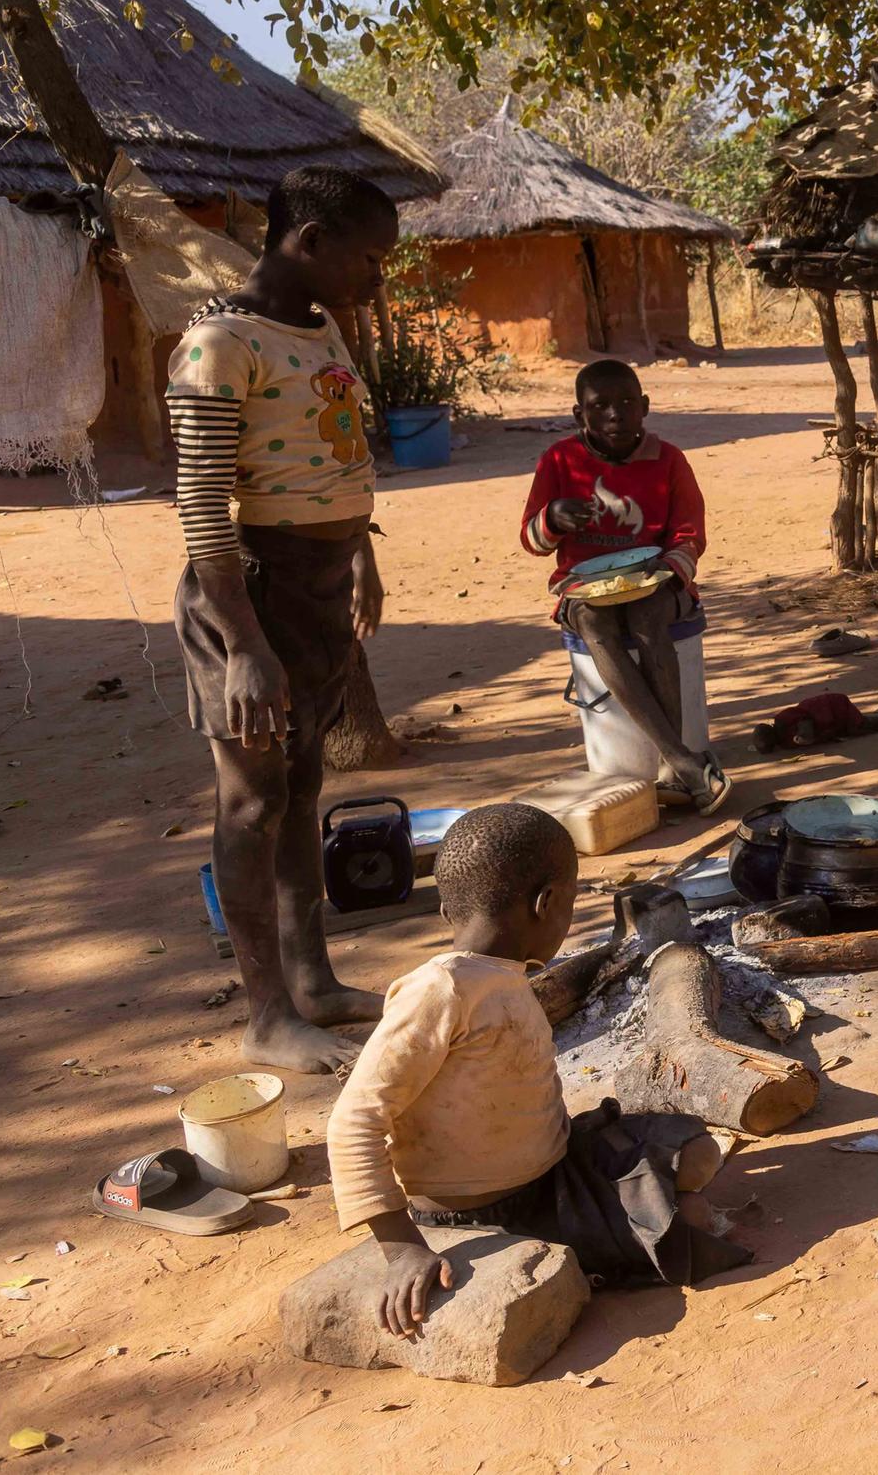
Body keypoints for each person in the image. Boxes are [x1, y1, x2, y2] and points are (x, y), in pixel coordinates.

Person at [327, 802, 746, 1336]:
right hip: (487, 1211)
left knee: (695, 1153)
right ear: (547, 903)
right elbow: (352, 1122)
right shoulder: (441, 990)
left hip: (555, 1168)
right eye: (570, 904)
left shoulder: (502, 975)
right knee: (690, 1224)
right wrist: (402, 1250)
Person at [168, 165, 398, 1074]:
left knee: (303, 785)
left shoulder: (320, 325)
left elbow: (332, 450)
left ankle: (312, 984)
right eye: (370, 258)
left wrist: (361, 554)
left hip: (317, 585)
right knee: (252, 799)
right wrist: (244, 647)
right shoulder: (217, 347)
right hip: (250, 595)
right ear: (307, 242)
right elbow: (201, 508)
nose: (377, 277)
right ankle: (265, 1013)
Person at [521, 359, 726, 809]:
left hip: (657, 581)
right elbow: (531, 540)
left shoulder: (668, 459)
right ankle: (680, 760)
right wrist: (553, 518)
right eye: (600, 406)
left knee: (649, 615)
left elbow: (689, 535)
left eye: (627, 403)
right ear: (580, 415)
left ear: (645, 407)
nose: (615, 414)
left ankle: (675, 768)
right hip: (582, 588)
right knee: (595, 624)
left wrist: (665, 573)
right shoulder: (558, 461)